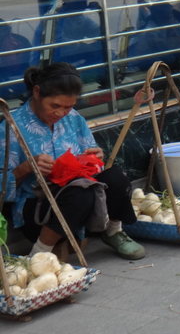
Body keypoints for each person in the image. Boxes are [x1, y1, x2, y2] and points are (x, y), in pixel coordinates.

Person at [0, 63, 145, 259]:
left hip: (80, 203)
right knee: (79, 194)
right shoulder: (10, 128)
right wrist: (26, 167)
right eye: (55, 106)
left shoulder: (74, 119)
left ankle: (113, 231)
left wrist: (94, 159)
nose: (60, 114)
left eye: (68, 107)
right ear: (36, 92)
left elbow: (93, 169)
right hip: (38, 208)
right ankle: (39, 254)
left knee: (116, 176)